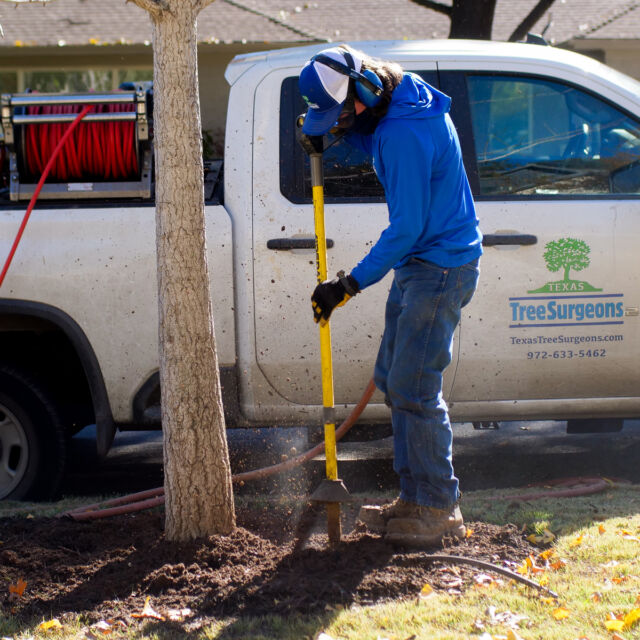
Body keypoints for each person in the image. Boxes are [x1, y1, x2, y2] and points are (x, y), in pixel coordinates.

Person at [298, 45, 483, 547]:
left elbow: (406, 228)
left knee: (414, 386)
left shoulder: (404, 129)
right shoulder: (399, 96)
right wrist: (325, 141)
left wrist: (347, 284)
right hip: (420, 265)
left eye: (337, 116)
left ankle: (439, 506)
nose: (336, 125)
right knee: (394, 380)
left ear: (362, 91)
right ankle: (414, 496)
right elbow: (372, 136)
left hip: (437, 267)